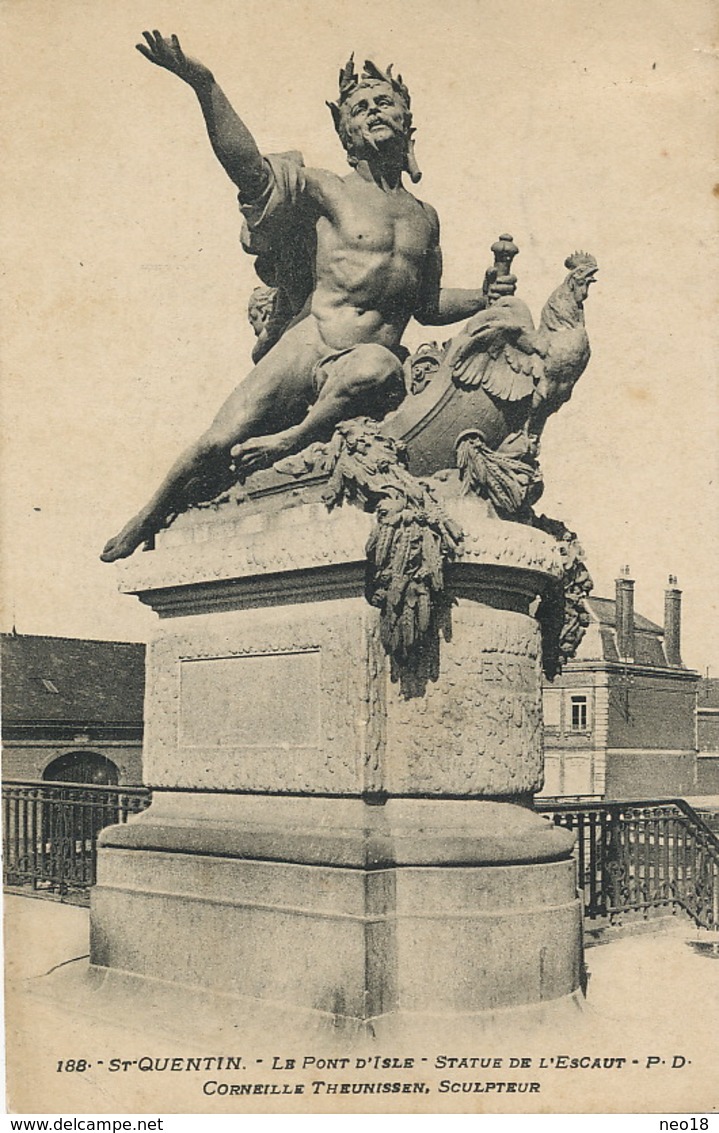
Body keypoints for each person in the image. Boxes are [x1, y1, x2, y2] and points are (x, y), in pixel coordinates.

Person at [101, 33, 514, 562]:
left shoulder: (425, 217)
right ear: (345, 131)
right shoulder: (325, 190)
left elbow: (427, 304)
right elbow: (250, 171)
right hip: (309, 342)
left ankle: (289, 440)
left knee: (381, 363)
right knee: (215, 442)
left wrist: (481, 297)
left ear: (408, 119)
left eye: (384, 102)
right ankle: (149, 514)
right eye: (359, 108)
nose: (373, 111)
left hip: (364, 364)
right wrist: (204, 85)